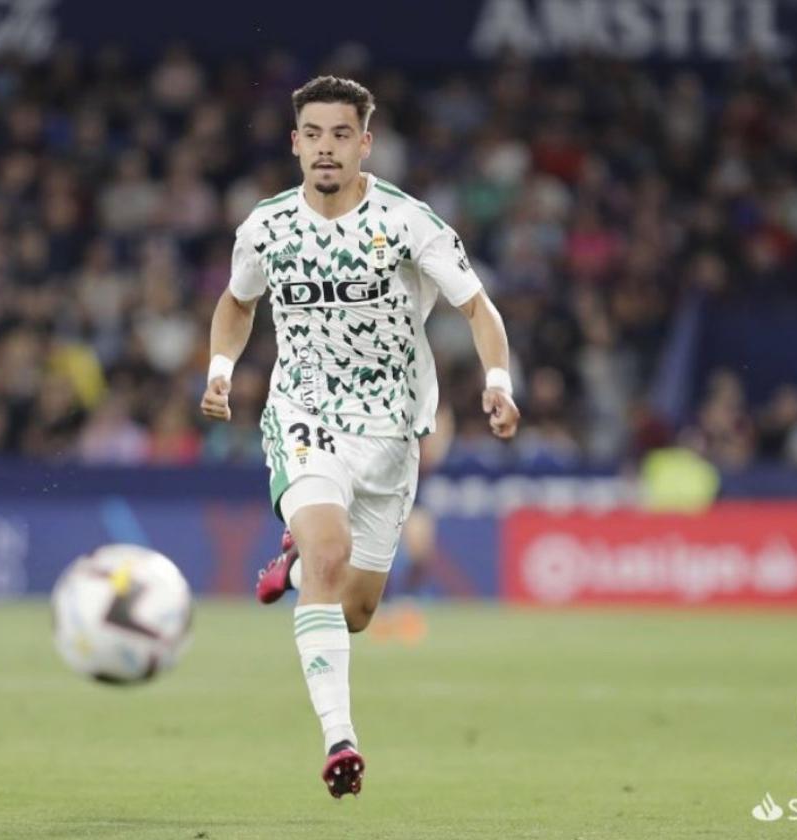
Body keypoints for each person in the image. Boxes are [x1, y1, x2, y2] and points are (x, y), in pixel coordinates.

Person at [200, 76, 519, 798]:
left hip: (394, 432)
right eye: (312, 134)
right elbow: (235, 301)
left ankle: (299, 556)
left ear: (364, 143)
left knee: (356, 609)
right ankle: (339, 739)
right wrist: (220, 369)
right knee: (329, 550)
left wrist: (498, 384)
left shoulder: (410, 224)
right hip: (306, 412)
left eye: (341, 134)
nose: (325, 148)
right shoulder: (267, 226)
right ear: (294, 143)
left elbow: (480, 311)